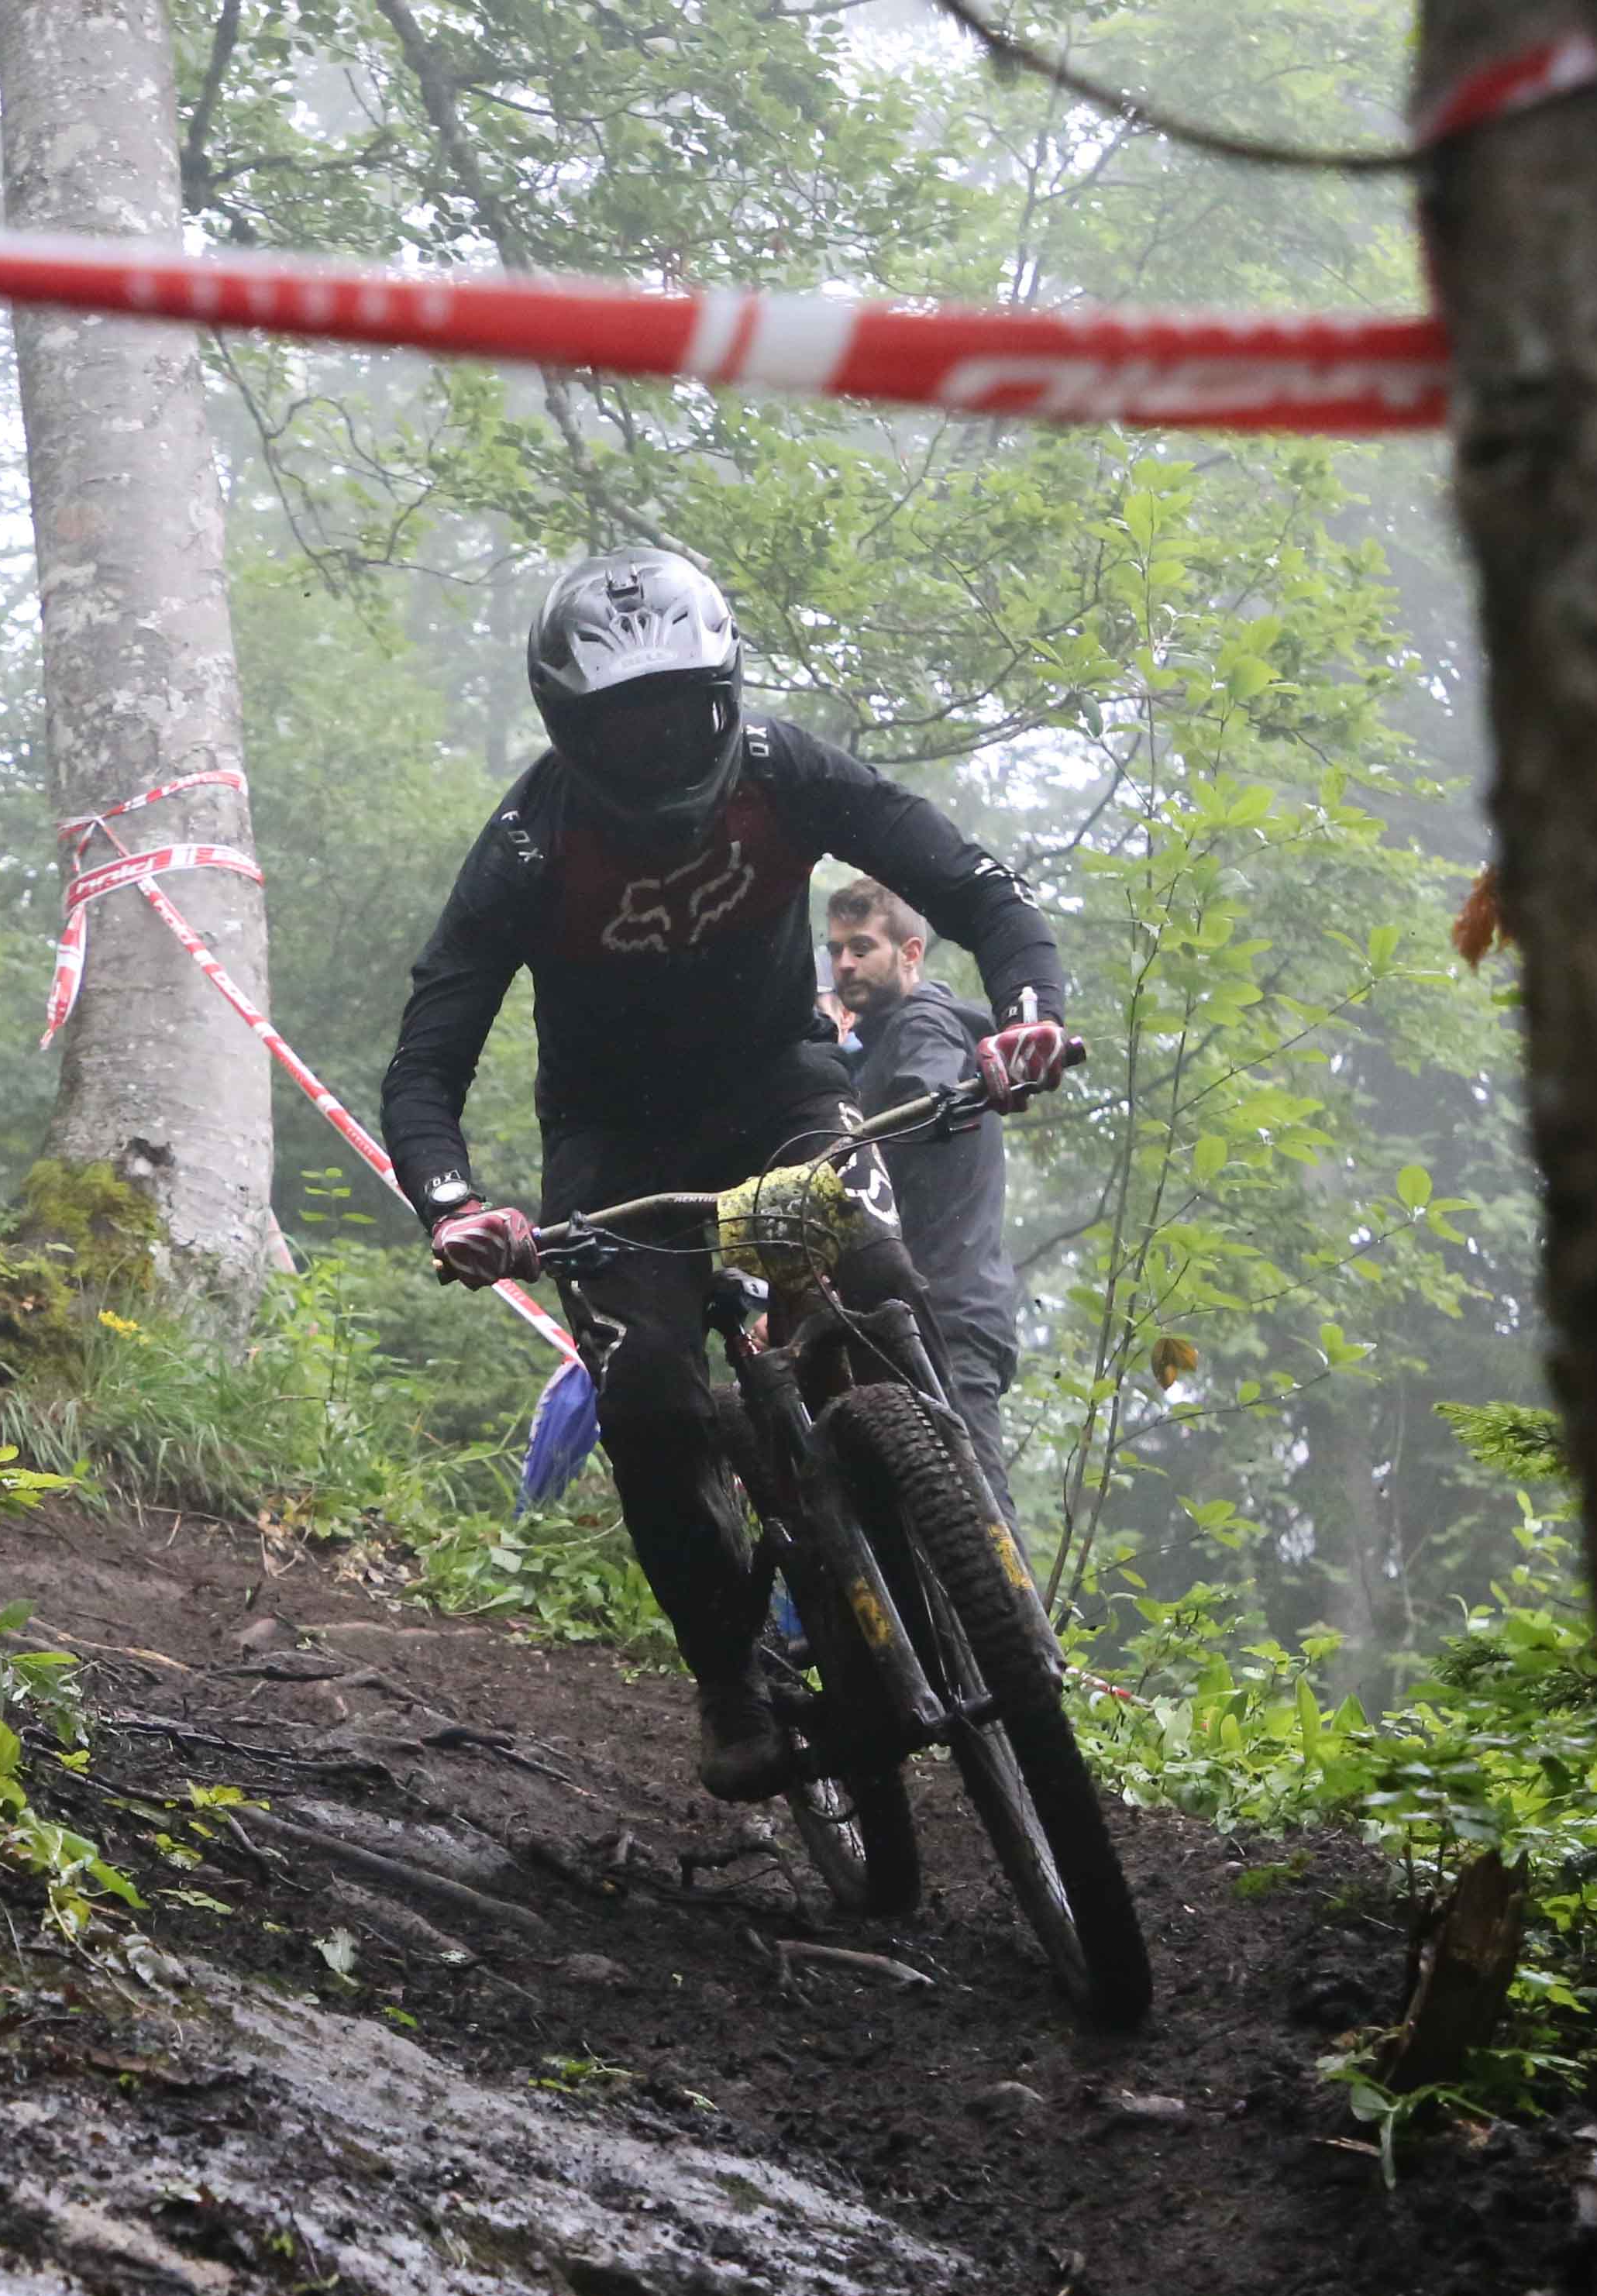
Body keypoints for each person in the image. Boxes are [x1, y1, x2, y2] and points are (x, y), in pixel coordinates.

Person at [383, 547, 1078, 1802]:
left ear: (726, 697)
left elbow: (976, 888)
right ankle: (727, 1677)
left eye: (680, 715)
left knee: (875, 1277)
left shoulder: (783, 773)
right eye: (626, 726)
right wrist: (456, 1206)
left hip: (781, 1098)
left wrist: (1028, 1014)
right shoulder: (529, 850)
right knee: (650, 1393)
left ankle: (927, 1530)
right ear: (572, 729)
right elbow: (428, 1062)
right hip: (615, 1150)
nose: (659, 749)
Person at [828, 874, 1034, 1509]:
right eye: (835, 949)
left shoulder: (925, 1025)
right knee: (919, 1515)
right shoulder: (875, 1048)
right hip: (905, 1312)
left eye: (862, 947)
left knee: (977, 1510)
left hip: (948, 1312)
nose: (844, 963)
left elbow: (928, 1105)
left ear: (910, 953)